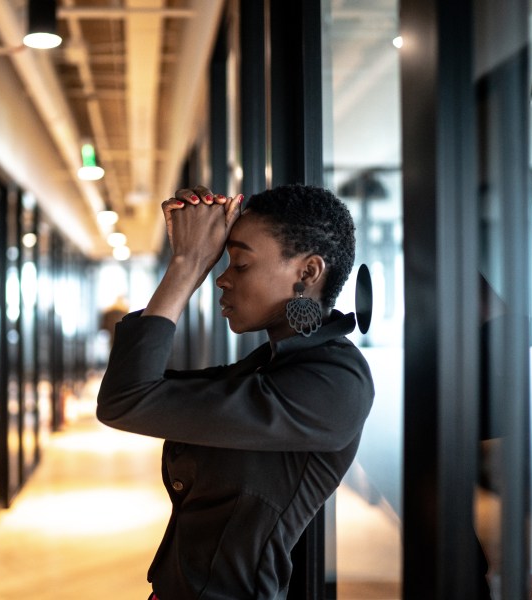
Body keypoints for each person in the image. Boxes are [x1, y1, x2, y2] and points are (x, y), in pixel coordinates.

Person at [96, 183, 375, 600]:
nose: (221, 278)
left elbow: (128, 399)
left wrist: (188, 265)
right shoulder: (270, 364)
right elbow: (137, 391)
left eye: (239, 264)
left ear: (308, 272)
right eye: (221, 262)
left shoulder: (334, 382)